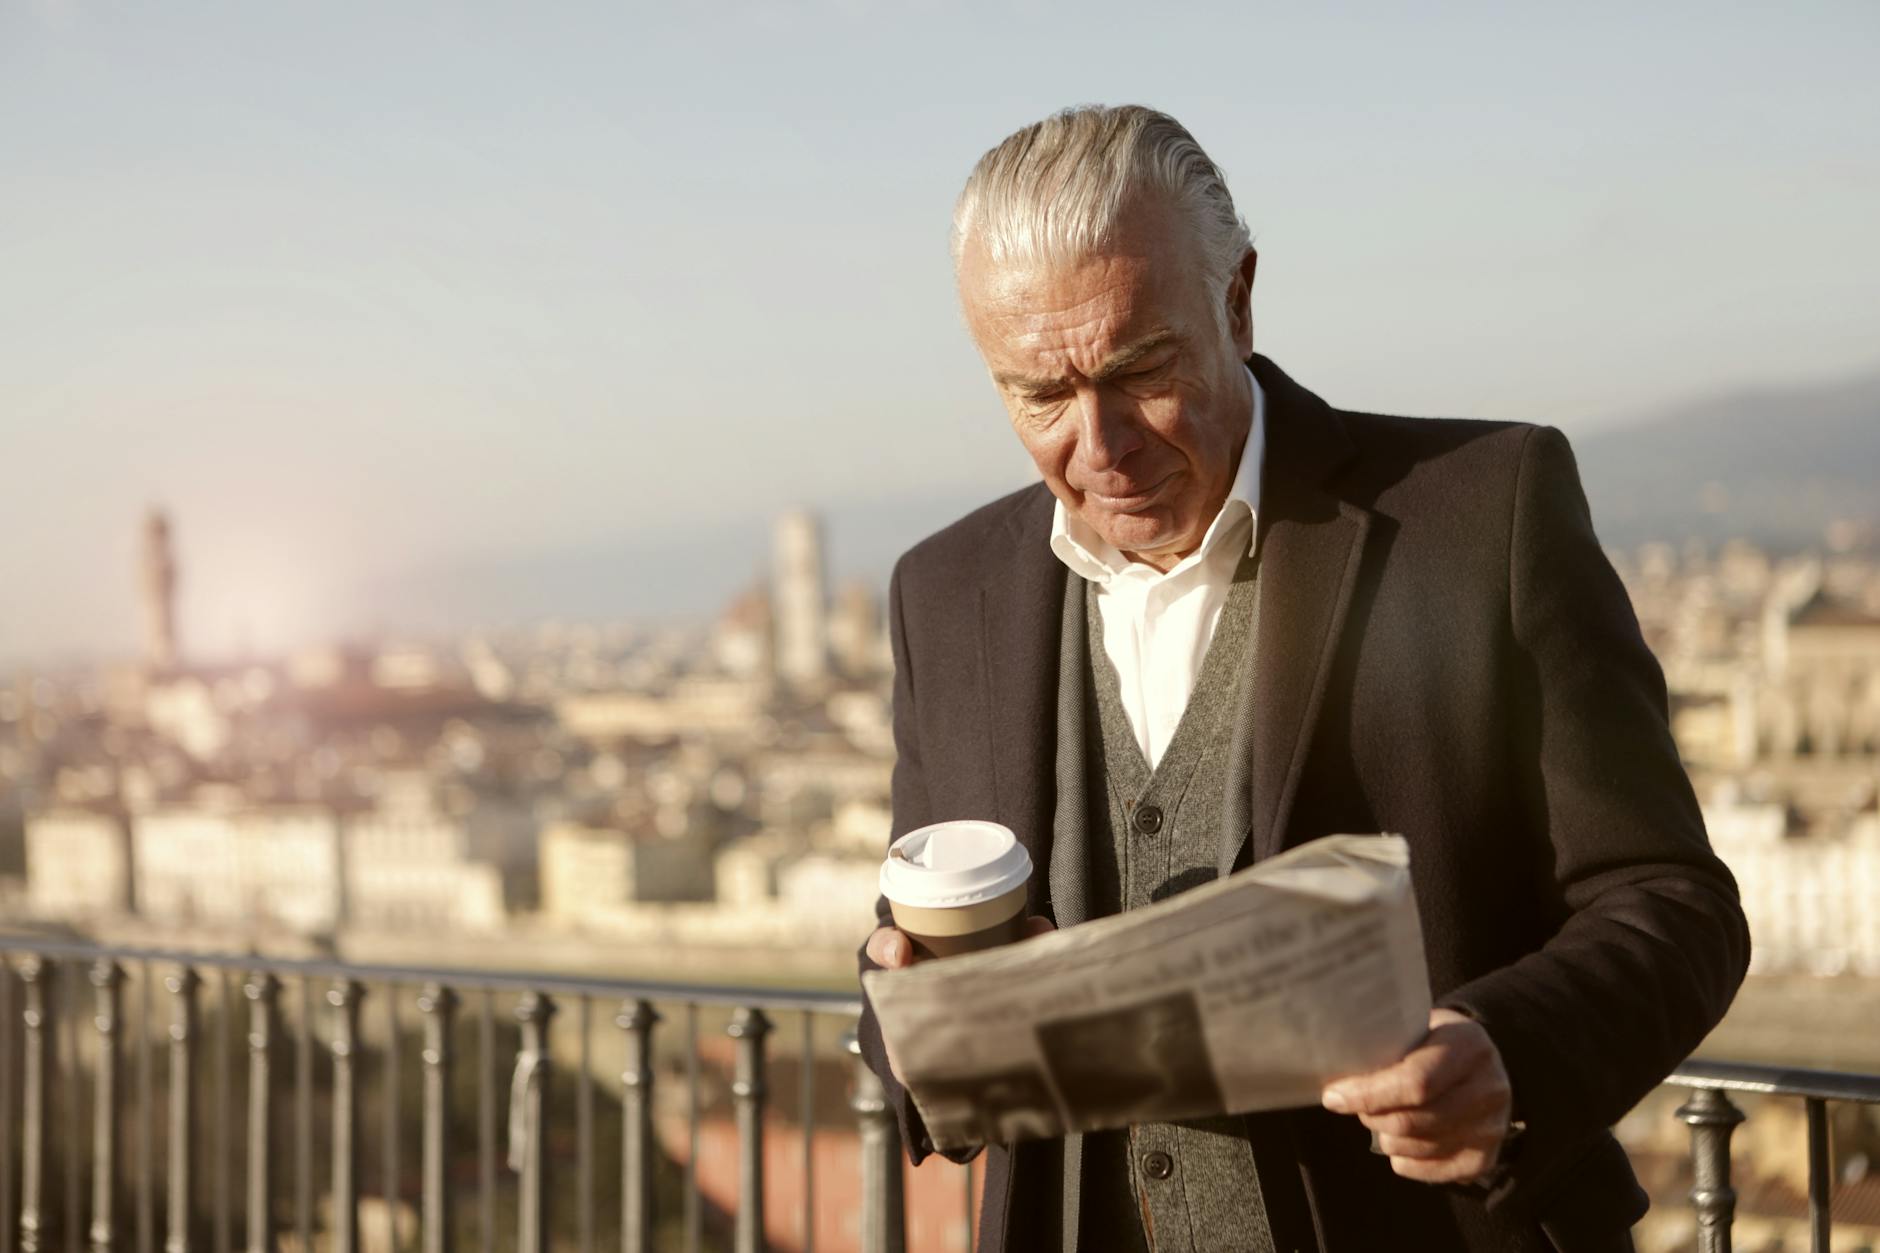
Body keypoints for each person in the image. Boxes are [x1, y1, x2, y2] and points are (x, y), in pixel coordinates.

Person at [855, 104, 1749, 1253]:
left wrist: (1506, 1054)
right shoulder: (944, 590)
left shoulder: (1485, 509)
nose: (1101, 442)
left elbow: (1674, 903)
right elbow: (907, 960)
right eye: (1038, 394)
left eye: (1140, 368)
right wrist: (909, 1008)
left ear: (1235, 299)